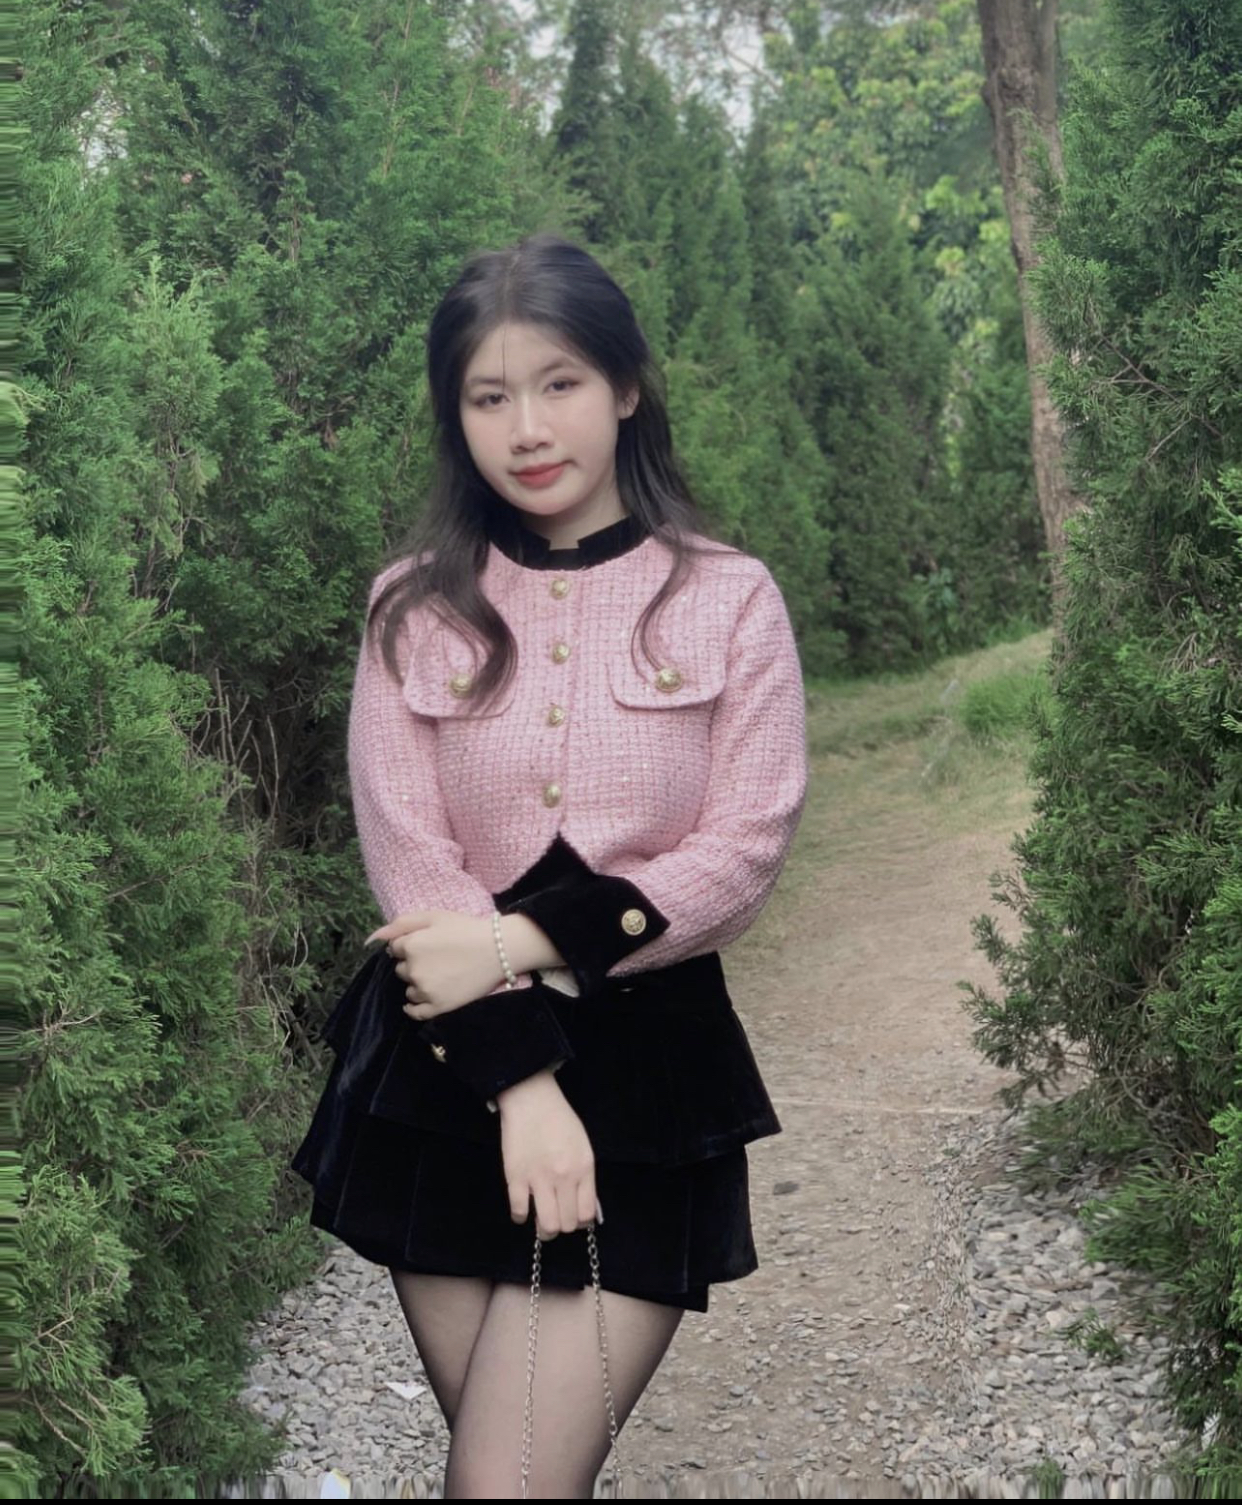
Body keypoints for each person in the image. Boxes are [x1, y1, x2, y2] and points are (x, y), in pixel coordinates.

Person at [290, 232, 809, 1498]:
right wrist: (523, 1086)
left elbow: (742, 849)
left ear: (625, 385)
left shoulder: (731, 598)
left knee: (506, 1480)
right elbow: (413, 858)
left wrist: (520, 940)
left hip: (647, 1074)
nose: (526, 427)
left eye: (559, 382)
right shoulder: (411, 606)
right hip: (444, 1069)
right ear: (455, 416)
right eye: (489, 396)